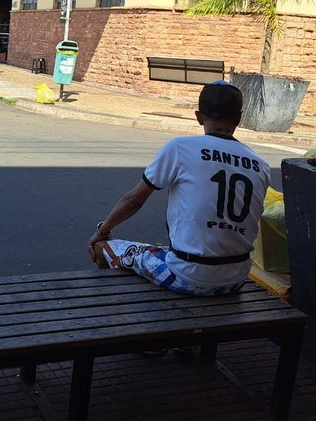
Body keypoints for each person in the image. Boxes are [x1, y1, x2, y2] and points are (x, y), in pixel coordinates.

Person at [88, 81, 271, 296]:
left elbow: (133, 200)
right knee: (169, 252)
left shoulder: (180, 147)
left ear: (198, 116)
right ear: (239, 118)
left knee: (104, 248)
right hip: (236, 278)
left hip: (187, 276)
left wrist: (102, 232)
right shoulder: (261, 165)